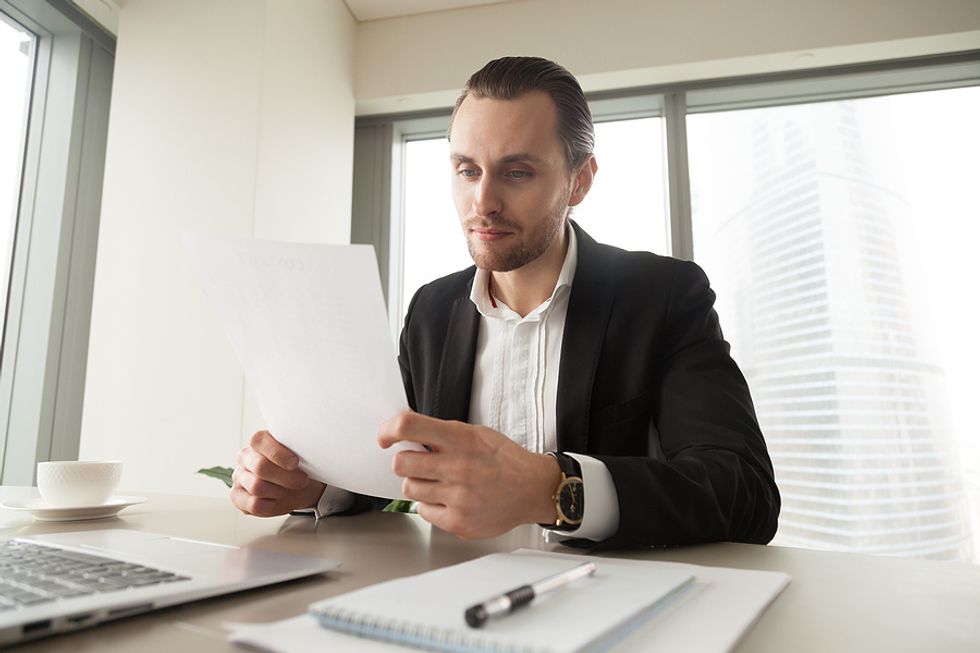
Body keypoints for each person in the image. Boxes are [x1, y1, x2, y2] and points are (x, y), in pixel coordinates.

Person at [230, 56, 780, 548]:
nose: (483, 201)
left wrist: (551, 487)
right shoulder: (432, 310)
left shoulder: (662, 295)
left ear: (580, 180)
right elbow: (391, 471)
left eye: (517, 172)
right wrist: (312, 484)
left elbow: (745, 493)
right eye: (467, 170)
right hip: (451, 606)